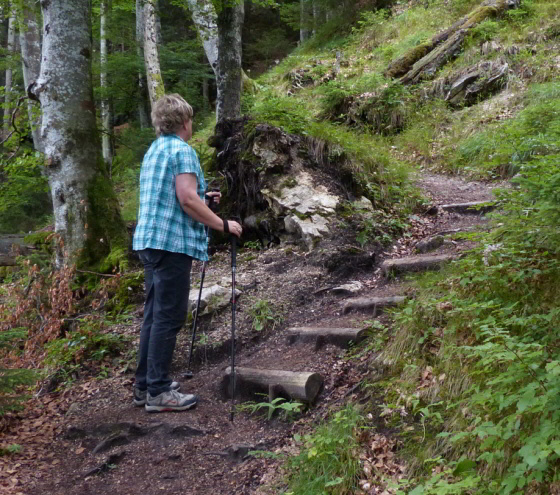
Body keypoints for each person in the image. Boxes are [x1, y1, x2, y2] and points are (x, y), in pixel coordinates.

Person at [132, 94, 242, 412]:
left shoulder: (155, 150)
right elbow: (186, 200)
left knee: (154, 316)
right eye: (191, 120)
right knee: (168, 316)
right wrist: (223, 224)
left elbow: (179, 195)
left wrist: (201, 196)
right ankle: (159, 392)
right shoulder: (182, 151)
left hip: (149, 241)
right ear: (184, 122)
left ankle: (146, 385)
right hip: (171, 244)